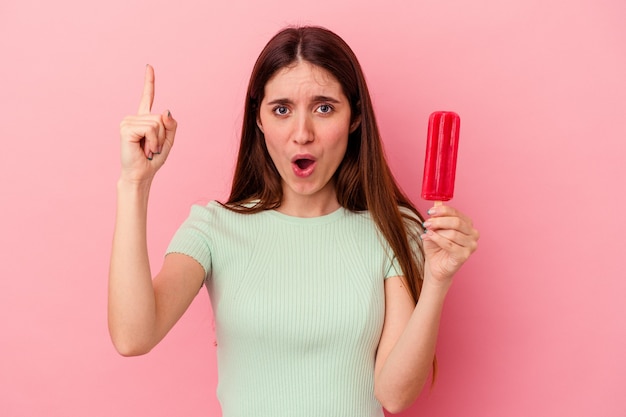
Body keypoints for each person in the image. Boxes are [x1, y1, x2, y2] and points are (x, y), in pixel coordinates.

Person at [109, 25, 479, 416]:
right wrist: (134, 183)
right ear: (259, 120)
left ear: (354, 117)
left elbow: (393, 394)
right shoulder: (213, 228)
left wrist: (438, 282)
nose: (302, 134)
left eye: (324, 108)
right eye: (282, 109)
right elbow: (133, 337)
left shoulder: (393, 227)